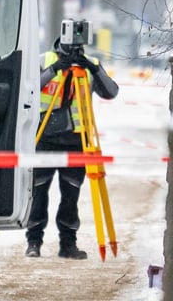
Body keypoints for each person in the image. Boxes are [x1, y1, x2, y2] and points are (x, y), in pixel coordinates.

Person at [25, 35, 119, 260]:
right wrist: (55, 68)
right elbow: (28, 88)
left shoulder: (89, 67)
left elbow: (111, 92)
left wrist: (93, 69)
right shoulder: (44, 60)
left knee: (71, 196)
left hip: (76, 140)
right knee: (38, 193)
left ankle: (68, 245)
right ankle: (33, 242)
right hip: (44, 139)